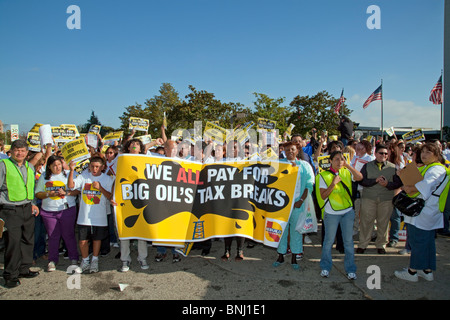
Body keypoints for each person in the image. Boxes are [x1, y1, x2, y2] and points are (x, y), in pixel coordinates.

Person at [395, 142, 447, 282]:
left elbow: (424, 186)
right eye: (422, 152)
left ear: (437, 155)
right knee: (427, 242)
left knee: (418, 241)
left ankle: (412, 272)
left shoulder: (435, 170)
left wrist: (409, 188)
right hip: (428, 211)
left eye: (428, 152)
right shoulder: (432, 168)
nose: (424, 155)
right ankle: (426, 270)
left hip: (423, 211)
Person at [316, 150, 363, 279]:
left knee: (348, 242)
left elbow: (359, 177)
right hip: (331, 214)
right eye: (336, 159)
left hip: (347, 212)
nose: (339, 161)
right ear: (330, 161)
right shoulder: (323, 175)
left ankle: (351, 269)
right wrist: (333, 183)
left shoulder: (346, 172)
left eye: (341, 159)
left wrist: (348, 166)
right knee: (328, 242)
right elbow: (323, 195)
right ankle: (325, 267)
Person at [0, 139, 40, 288]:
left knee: (27, 240)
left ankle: (24, 268)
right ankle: (10, 275)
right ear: (11, 151)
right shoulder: (3, 166)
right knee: (13, 243)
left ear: (27, 152)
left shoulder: (29, 166)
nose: (20, 153)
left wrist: (33, 203)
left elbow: (29, 187)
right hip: (10, 209)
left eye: (23, 150)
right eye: (17, 150)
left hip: (27, 207)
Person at [68, 156, 114, 273]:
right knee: (83, 240)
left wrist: (100, 188)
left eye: (97, 167)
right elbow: (71, 186)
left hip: (99, 216)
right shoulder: (84, 176)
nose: (94, 169)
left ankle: (95, 260)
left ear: (103, 167)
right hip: (84, 216)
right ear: (89, 166)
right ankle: (85, 261)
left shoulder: (108, 179)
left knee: (97, 240)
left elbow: (110, 197)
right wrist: (72, 170)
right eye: (92, 166)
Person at [272, 141, 314, 270]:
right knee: (281, 230)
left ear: (297, 151)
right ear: (283, 151)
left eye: (293, 149)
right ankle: (280, 255)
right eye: (287, 149)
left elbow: (309, 184)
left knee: (296, 231)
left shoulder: (304, 165)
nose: (290, 151)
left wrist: (301, 200)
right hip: (282, 205)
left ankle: (295, 257)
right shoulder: (279, 164)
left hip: (297, 204)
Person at [35, 155, 79, 272]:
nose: (57, 167)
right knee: (53, 236)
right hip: (49, 211)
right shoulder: (44, 177)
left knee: (68, 235)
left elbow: (77, 190)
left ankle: (74, 258)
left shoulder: (70, 173)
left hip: (67, 210)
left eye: (59, 164)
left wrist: (67, 192)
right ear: (49, 166)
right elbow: (38, 193)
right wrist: (49, 194)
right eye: (54, 165)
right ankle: (52, 260)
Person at [356, 144, 403, 254]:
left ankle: (381, 244)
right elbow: (362, 181)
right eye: (381, 153)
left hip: (386, 199)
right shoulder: (367, 166)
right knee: (366, 222)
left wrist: (387, 184)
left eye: (386, 154)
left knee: (383, 222)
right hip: (369, 198)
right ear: (375, 154)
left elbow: (398, 183)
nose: (384, 155)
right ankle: (363, 244)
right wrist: (375, 181)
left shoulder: (393, 167)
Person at [117, 139, 151, 271]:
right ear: (127, 147)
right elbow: (117, 178)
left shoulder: (145, 159)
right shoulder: (122, 159)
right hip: (125, 198)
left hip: (141, 198)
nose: (134, 146)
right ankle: (125, 260)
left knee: (141, 231)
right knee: (125, 231)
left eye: (137, 144)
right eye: (132, 144)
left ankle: (142, 258)